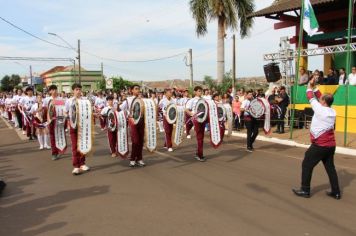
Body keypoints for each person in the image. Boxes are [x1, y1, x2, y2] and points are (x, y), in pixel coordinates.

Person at [292, 77, 341, 200]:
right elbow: (321, 97)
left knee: (307, 164)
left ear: (323, 101)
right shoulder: (332, 110)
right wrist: (316, 87)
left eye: (322, 98)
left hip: (320, 145)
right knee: (330, 168)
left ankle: (305, 190)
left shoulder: (319, 109)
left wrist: (310, 85)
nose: (320, 97)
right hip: (330, 145)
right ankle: (336, 192)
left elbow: (310, 96)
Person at [65, 83, 91, 175]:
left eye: (80, 89)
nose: (78, 91)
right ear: (73, 91)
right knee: (75, 146)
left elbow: (89, 111)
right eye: (76, 89)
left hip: (83, 126)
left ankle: (82, 163)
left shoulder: (85, 100)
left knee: (83, 145)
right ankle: (76, 166)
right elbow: (66, 112)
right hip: (73, 126)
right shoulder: (69, 101)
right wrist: (67, 118)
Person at [119, 84, 146, 167]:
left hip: (141, 120)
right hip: (133, 121)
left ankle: (139, 159)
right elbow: (120, 108)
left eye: (139, 89)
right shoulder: (128, 99)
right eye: (136, 89)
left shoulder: (142, 99)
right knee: (135, 141)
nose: (138, 90)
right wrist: (128, 115)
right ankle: (132, 159)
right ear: (132, 90)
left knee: (141, 141)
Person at [185, 86, 207, 162]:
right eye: (198, 91)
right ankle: (200, 155)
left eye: (201, 91)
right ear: (195, 92)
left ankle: (198, 153)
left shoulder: (203, 100)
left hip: (203, 119)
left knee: (201, 137)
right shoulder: (192, 100)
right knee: (199, 137)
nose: (200, 92)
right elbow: (186, 109)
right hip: (196, 119)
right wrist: (192, 114)